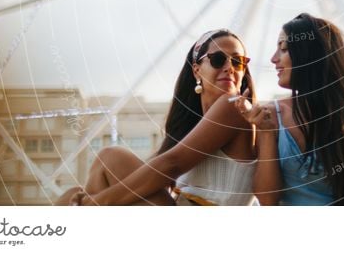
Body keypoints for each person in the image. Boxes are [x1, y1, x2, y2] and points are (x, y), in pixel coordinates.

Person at [57, 29, 257, 206]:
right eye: (218, 59)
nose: (230, 67)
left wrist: (94, 203)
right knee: (71, 195)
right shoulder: (194, 127)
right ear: (196, 70)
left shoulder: (234, 107)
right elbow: (160, 168)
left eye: (238, 62)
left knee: (110, 158)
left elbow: (172, 164)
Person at [234, 13, 344, 205]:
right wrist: (267, 132)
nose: (273, 59)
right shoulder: (270, 117)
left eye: (284, 49)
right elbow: (267, 198)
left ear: (310, 56)